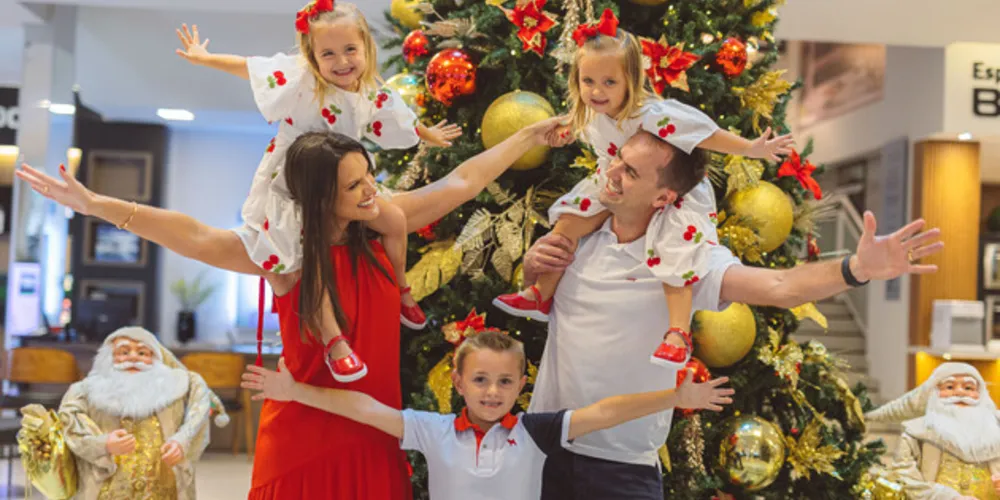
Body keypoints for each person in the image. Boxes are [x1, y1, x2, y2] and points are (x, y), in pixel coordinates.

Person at [16, 116, 565, 499]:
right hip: (303, 434)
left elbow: (462, 181)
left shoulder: (380, 233)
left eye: (368, 174)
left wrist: (525, 134)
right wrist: (93, 204)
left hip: (373, 431)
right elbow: (194, 235)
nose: (372, 190)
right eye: (355, 185)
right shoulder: (283, 258)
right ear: (321, 195)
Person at [519, 130, 945, 499]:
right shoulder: (579, 240)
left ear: (664, 196)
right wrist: (532, 266)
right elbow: (535, 301)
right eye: (618, 160)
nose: (610, 174)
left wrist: (857, 269)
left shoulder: (685, 258)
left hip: (621, 468)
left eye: (630, 172)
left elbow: (780, 287)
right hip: (541, 447)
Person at [174, 0, 464, 380]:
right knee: (308, 259)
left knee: (393, 219)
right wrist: (204, 57)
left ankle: (401, 291)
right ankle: (333, 342)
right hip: (299, 184)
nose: (341, 61)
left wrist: (427, 133)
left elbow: (394, 117)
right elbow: (250, 67)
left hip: (343, 186)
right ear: (312, 57)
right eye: (328, 53)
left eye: (350, 50)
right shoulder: (304, 83)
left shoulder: (369, 93)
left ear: (366, 50)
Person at [492, 8, 793, 370]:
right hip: (615, 178)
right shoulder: (591, 112)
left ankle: (678, 334)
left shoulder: (653, 115)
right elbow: (581, 127)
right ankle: (542, 293)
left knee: (675, 245)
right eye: (588, 81)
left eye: (608, 83)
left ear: (631, 80)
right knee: (570, 218)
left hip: (668, 190)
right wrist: (563, 133)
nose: (596, 92)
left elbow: (704, 133)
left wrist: (750, 148)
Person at [240, 329, 734, 500]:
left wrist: (672, 399)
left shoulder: (535, 432)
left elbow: (603, 412)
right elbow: (365, 409)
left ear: (522, 385)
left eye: (504, 382)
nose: (492, 392)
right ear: (458, 383)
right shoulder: (433, 432)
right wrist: (295, 390)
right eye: (480, 380)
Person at [29, 327, 225, 500]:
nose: (133, 357)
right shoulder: (84, 391)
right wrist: (103, 444)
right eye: (123, 352)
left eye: (142, 352)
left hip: (163, 488)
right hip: (104, 490)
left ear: (157, 358)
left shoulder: (179, 386)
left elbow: (198, 411)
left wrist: (181, 441)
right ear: (108, 358)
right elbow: (69, 429)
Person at [866, 363, 1000, 500]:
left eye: (968, 388)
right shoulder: (915, 434)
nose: (960, 393)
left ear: (981, 394)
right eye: (949, 387)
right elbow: (905, 479)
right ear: (934, 394)